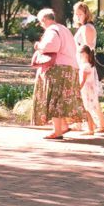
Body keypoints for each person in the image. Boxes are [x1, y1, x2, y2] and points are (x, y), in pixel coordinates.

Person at [30, 8, 82, 140]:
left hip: (58, 69)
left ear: (45, 20)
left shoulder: (52, 30)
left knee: (54, 98)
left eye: (40, 21)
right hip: (71, 67)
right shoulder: (64, 29)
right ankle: (63, 126)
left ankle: (57, 131)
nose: (41, 24)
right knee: (62, 98)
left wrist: (38, 45)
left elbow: (52, 46)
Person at [73, 2, 104, 132]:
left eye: (80, 14)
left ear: (86, 14)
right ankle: (98, 124)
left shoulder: (87, 27)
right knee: (89, 96)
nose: (77, 17)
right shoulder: (84, 27)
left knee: (88, 95)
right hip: (83, 63)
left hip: (86, 65)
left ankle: (96, 125)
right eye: (76, 14)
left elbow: (87, 48)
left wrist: (84, 66)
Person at [78, 45, 104, 135]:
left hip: (86, 90)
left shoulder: (86, 66)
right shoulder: (90, 65)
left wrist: (78, 89)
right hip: (89, 89)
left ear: (84, 54)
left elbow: (83, 80)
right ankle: (92, 125)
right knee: (87, 108)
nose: (80, 56)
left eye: (81, 54)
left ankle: (90, 129)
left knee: (86, 108)